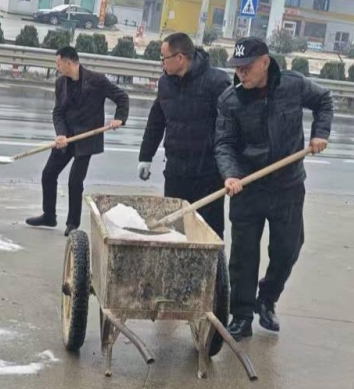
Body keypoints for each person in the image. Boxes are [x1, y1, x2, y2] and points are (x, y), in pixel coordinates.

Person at [215, 37, 333, 340]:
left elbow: (324, 100)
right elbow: (224, 143)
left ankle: (267, 299)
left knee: (288, 249)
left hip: (287, 185)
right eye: (237, 68)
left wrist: (320, 133)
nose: (241, 73)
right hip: (247, 186)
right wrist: (230, 175)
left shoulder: (293, 86)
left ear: (265, 63)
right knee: (243, 255)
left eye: (247, 67)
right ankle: (241, 316)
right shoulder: (230, 100)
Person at [26, 46, 129, 236]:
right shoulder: (60, 83)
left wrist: (119, 118)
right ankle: (49, 216)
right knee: (48, 174)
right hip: (67, 137)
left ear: (69, 62)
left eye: (58, 64)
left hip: (87, 138)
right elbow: (58, 112)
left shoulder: (96, 80)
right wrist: (60, 134)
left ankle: (72, 223)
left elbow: (122, 97)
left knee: (75, 181)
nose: (57, 67)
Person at [137, 32, 231, 239]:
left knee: (208, 232)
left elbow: (231, 128)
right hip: (176, 172)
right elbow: (156, 121)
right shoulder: (165, 83)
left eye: (164, 58)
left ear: (179, 58)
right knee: (175, 230)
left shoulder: (216, 82)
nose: (161, 63)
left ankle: (213, 262)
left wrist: (230, 170)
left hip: (208, 174)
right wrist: (145, 156)